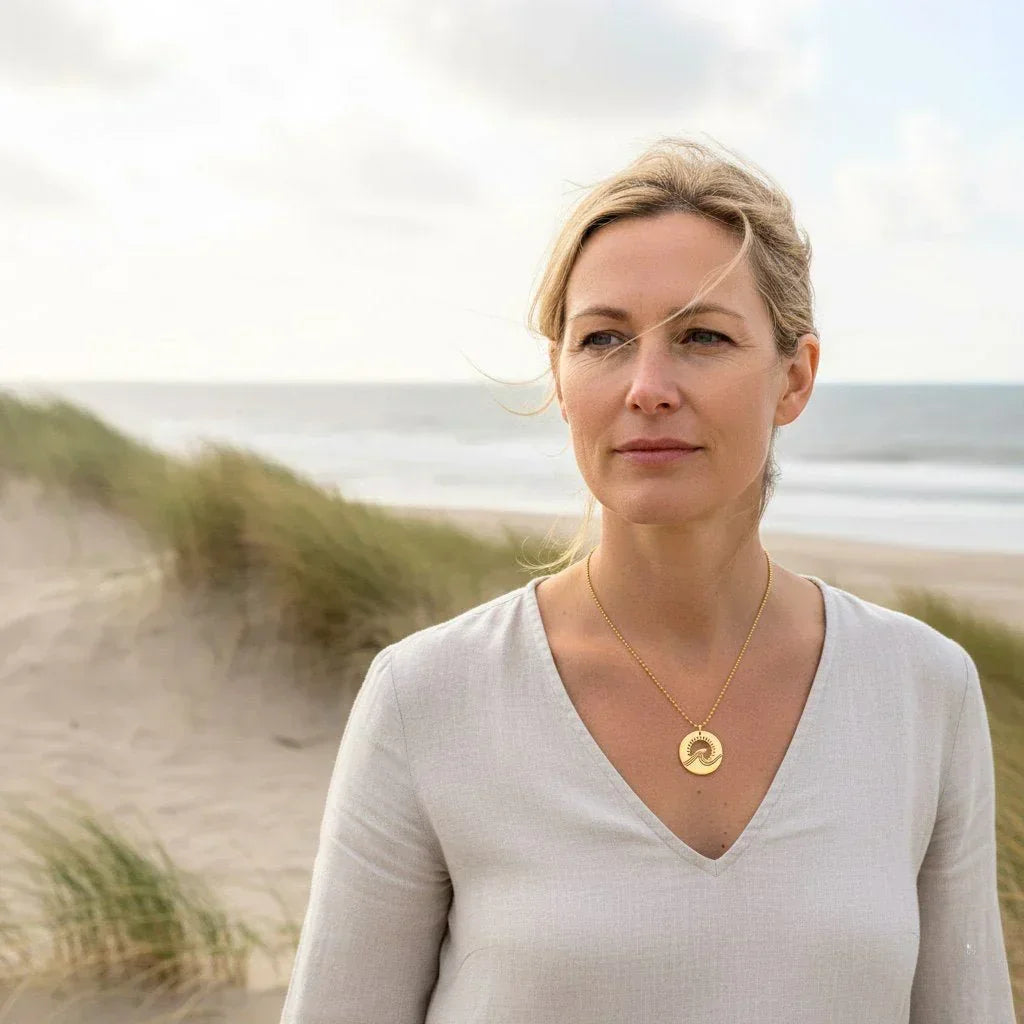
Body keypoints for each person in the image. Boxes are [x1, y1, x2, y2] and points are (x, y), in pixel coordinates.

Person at [278, 137, 1015, 1023]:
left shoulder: (921, 689)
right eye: (604, 340)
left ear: (796, 376)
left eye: (703, 335)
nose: (649, 386)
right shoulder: (427, 697)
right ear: (560, 376)